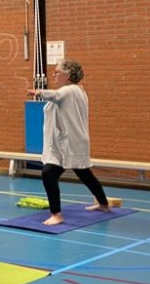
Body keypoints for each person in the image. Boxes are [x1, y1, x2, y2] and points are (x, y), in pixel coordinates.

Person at [27, 59, 111, 226]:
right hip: (73, 141)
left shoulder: (69, 90)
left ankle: (56, 215)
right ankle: (103, 204)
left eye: (57, 72)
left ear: (67, 75)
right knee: (85, 174)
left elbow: (55, 95)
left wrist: (38, 92)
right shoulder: (78, 91)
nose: (54, 74)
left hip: (68, 143)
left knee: (48, 174)